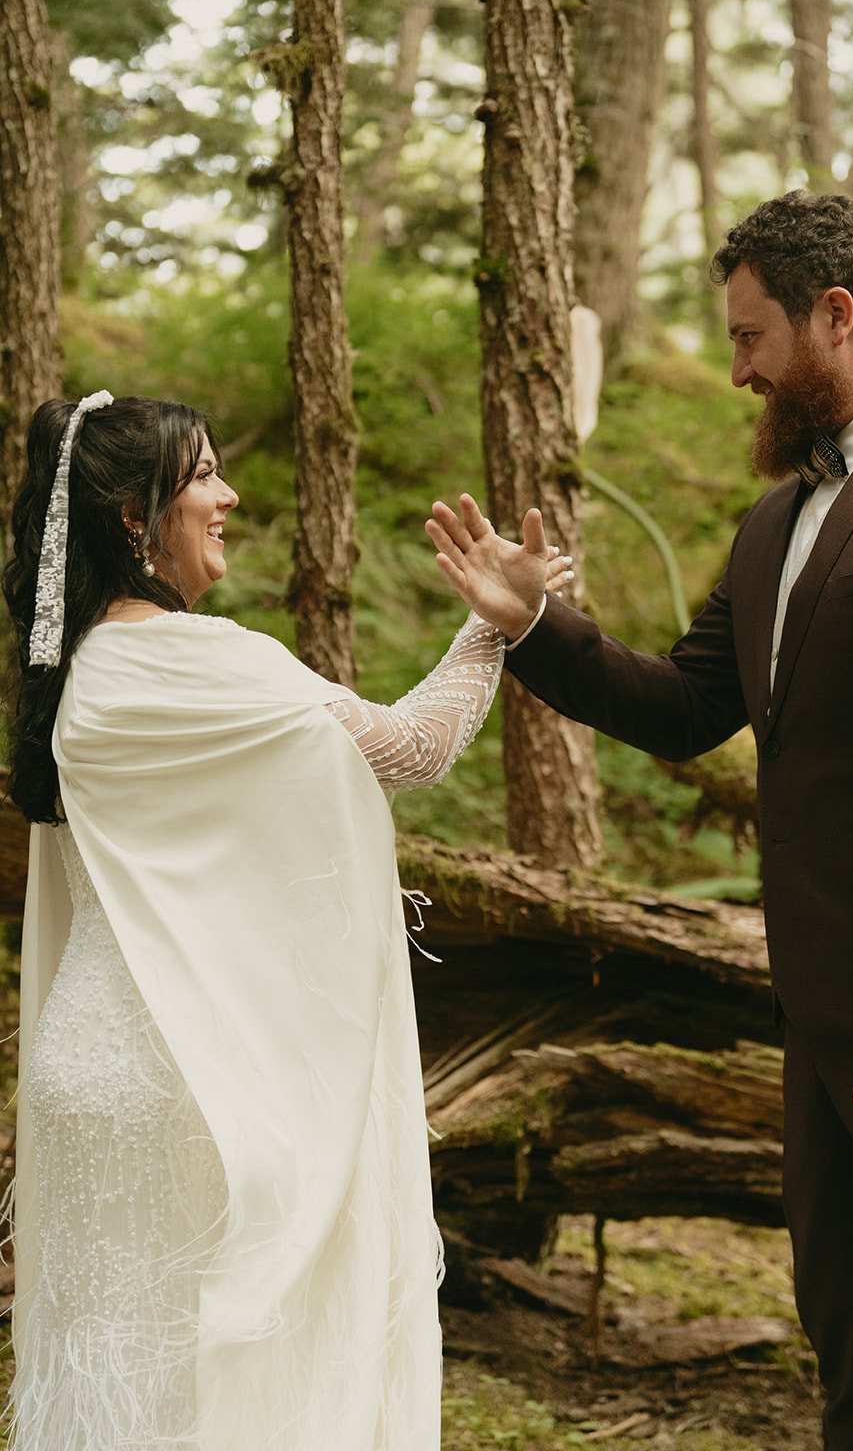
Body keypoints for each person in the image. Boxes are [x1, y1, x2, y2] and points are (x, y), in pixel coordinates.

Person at [426, 191, 853, 1449]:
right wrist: (526, 624)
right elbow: (681, 708)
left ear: (834, 316)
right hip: (823, 1010)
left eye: (748, 336)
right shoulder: (775, 516)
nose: (734, 372)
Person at [2, 392, 562, 1451]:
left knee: (120, 1374)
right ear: (135, 515)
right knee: (225, 1368)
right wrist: (494, 622)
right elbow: (408, 748)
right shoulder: (204, 658)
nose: (228, 493)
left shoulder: (81, 672)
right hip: (187, 1077)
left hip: (91, 1064)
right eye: (203, 474)